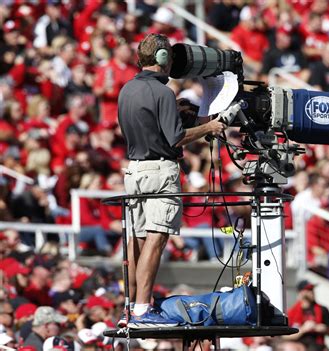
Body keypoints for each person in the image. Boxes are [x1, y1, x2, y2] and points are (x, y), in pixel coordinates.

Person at [117, 33, 226, 328]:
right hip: (159, 171)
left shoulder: (126, 89)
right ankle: (142, 310)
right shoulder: (163, 93)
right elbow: (176, 138)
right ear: (163, 59)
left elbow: (146, 125)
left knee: (138, 239)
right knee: (156, 238)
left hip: (134, 170)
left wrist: (174, 113)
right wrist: (211, 126)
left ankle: (131, 307)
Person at [285, 280, 329, 351]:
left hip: (318, 346)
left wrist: (324, 329)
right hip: (298, 345)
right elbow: (284, 336)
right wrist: (303, 329)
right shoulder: (291, 312)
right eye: (308, 290)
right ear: (301, 293)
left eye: (312, 289)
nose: (312, 292)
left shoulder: (323, 309)